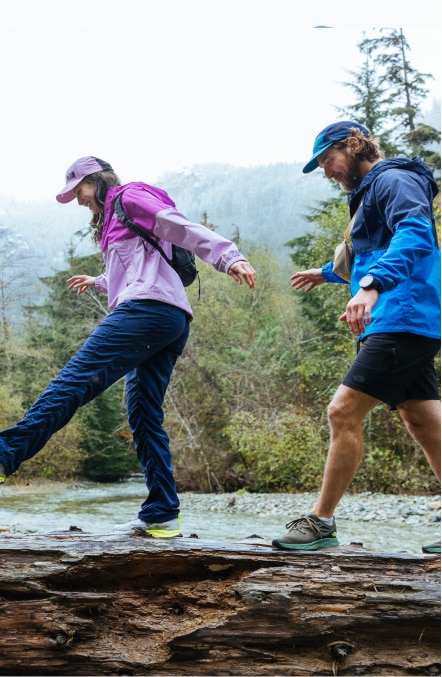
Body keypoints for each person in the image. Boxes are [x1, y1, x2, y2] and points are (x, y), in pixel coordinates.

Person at [0, 156, 256, 537]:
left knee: (74, 380)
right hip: (169, 319)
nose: (79, 200)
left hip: (147, 311)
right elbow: (139, 267)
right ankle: (162, 512)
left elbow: (177, 227)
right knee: (143, 415)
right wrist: (100, 280)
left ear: (98, 180)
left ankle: (6, 454)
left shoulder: (130, 196)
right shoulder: (112, 221)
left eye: (80, 190)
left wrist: (227, 255)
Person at [272, 121, 441, 554]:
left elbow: (416, 233)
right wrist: (329, 273)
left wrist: (372, 285)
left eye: (328, 160)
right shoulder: (369, 192)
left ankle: (321, 522)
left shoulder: (394, 179)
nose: (327, 172)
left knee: (342, 411)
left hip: (401, 316)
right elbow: (375, 249)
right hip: (401, 316)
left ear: (352, 145)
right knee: (423, 421)